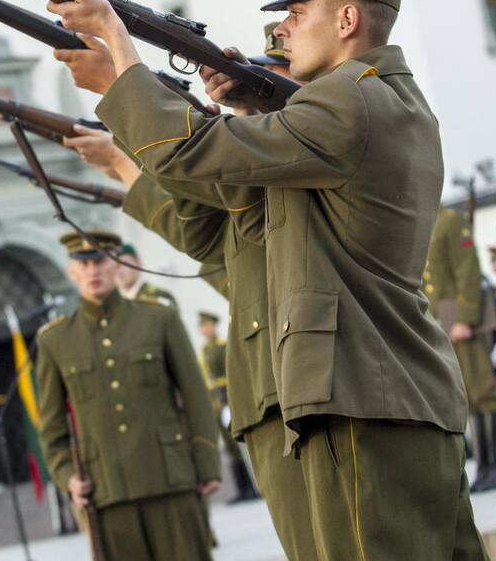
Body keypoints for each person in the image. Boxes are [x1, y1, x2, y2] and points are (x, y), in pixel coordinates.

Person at [48, 0, 486, 558]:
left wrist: (122, 58)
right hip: (367, 389)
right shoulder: (371, 98)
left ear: (347, 20)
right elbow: (218, 211)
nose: (282, 27)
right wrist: (252, 105)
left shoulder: (351, 98)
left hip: (356, 393)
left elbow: (194, 156)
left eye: (297, 13)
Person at [61, 125, 320, 560]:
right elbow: (213, 251)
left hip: (277, 404)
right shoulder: (61, 338)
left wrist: (126, 163)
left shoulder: (156, 311)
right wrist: (125, 169)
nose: (98, 271)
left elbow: (191, 389)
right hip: (256, 405)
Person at [35, 230, 220, 561]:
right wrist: (67, 478)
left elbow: (196, 397)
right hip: (106, 492)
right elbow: (51, 428)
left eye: (100, 262)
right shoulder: (55, 341)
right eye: (84, 264)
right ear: (72, 272)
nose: (93, 271)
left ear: (117, 265)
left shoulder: (158, 319)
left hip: (171, 480)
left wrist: (206, 464)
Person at [425, 209, 496, 492]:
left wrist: (466, 316)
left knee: (483, 392)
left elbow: (467, 268)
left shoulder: (449, 220)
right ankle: (485, 466)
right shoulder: (417, 220)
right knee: (468, 399)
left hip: (460, 317)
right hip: (442, 318)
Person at [198, 312, 261, 503]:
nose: (205, 329)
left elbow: (230, 373)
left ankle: (251, 487)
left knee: (236, 444)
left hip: (227, 399)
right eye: (202, 326)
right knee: (228, 446)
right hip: (216, 403)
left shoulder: (221, 346)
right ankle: (241, 488)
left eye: (208, 325)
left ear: (213, 326)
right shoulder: (205, 349)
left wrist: (228, 399)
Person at [115, 243, 179, 308]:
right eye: (115, 266)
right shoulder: (114, 303)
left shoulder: (159, 297)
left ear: (138, 264)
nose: (119, 270)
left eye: (125, 264)